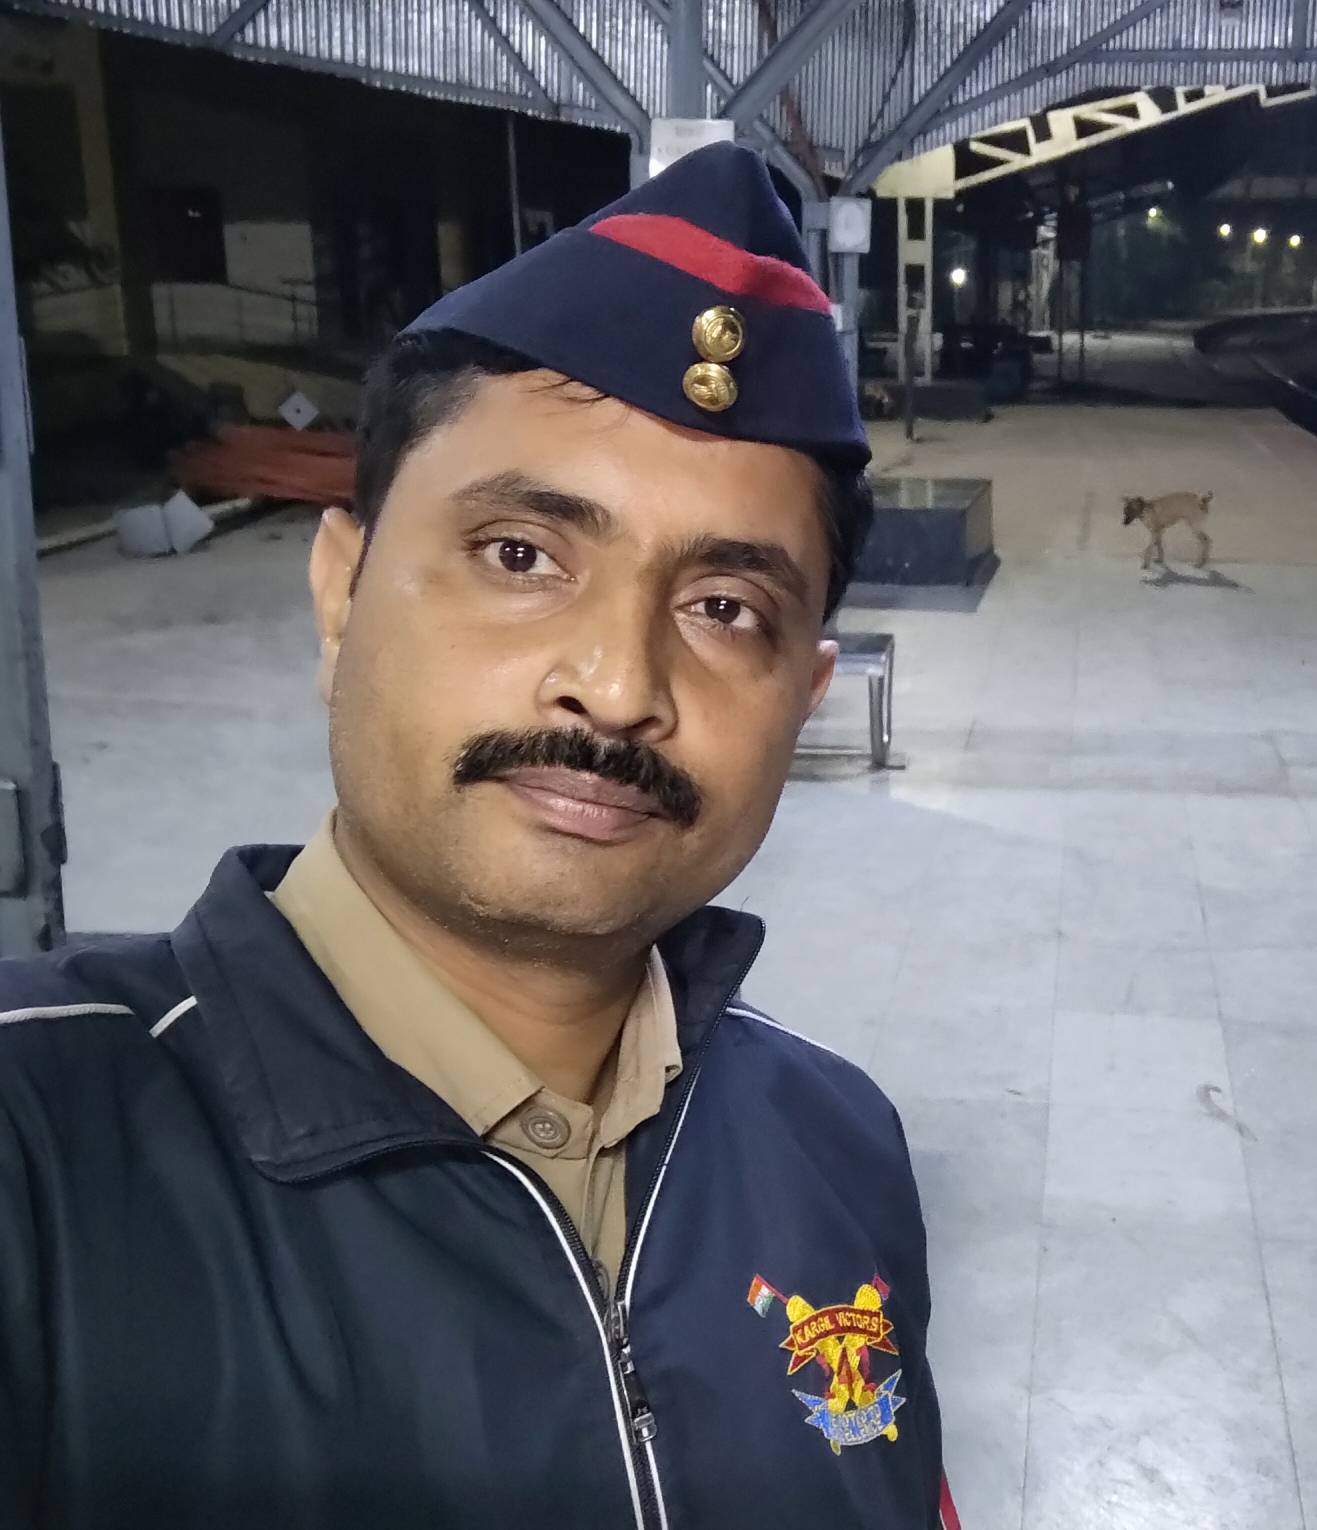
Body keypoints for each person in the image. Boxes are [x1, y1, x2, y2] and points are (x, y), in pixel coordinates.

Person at [0, 143, 949, 1528]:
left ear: (802, 700)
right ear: (341, 592)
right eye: (522, 555)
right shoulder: (42, 1162)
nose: (617, 686)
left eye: (725, 608)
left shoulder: (836, 1147)